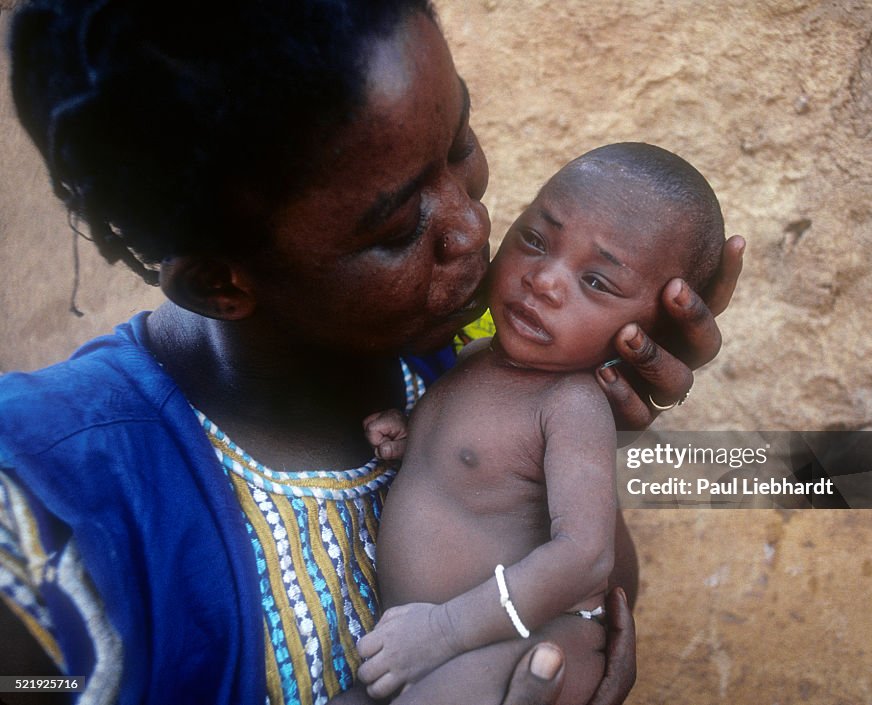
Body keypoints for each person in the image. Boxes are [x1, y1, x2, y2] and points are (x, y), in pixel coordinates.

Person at [0, 1, 744, 703]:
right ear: (219, 282)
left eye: (460, 145)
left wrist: (586, 402)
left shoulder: (472, 344)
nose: (473, 225)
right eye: (396, 231)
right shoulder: (46, 506)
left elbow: (591, 570)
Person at [354, 143, 724, 704]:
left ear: (648, 332)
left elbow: (585, 556)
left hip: (524, 644)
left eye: (597, 282)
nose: (545, 281)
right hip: (434, 647)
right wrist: (413, 431)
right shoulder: (477, 356)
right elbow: (480, 462)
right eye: (534, 240)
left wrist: (444, 630)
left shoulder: (572, 404)